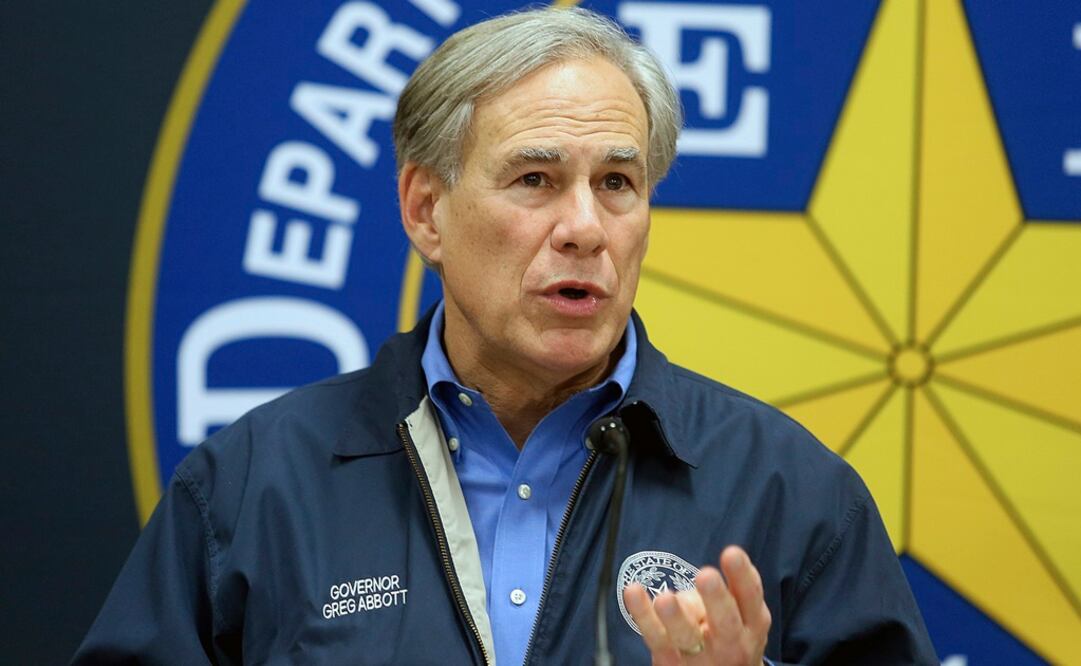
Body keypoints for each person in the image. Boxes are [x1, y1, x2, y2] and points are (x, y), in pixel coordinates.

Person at [74, 7, 936, 665]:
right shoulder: (253, 487)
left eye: (617, 183)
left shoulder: (791, 493)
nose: (584, 228)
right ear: (425, 210)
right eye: (535, 178)